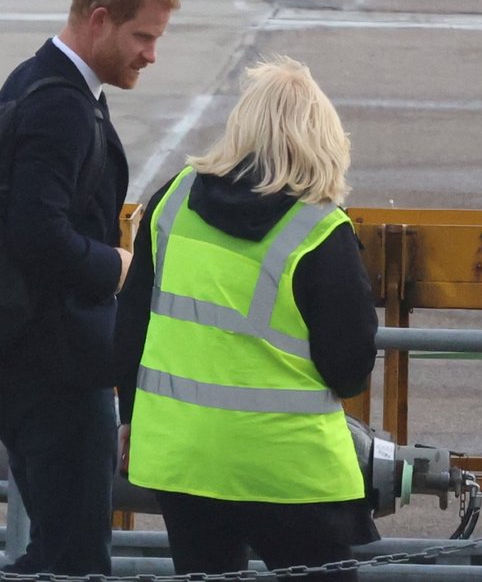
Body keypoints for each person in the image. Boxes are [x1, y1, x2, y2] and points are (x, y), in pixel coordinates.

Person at [115, 56, 380, 580]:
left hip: (183, 458)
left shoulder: (172, 201)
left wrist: (129, 420)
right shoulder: (319, 229)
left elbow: (132, 327)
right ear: (322, 138)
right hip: (286, 468)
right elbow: (349, 368)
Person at [0, 0, 179, 576]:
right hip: (54, 370)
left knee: (53, 554)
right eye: (143, 36)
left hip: (23, 359)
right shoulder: (60, 105)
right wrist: (118, 265)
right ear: (98, 20)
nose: (151, 55)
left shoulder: (32, 81)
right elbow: (37, 236)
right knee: (76, 562)